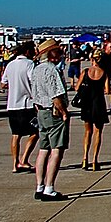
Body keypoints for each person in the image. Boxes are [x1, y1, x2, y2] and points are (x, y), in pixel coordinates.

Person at [30, 39, 71, 200]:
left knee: (43, 149)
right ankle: (49, 187)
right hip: (53, 112)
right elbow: (56, 95)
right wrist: (64, 113)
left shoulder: (36, 69)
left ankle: (40, 186)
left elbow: (34, 92)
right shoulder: (51, 70)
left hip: (41, 111)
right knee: (56, 150)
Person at [1, 41, 38, 173]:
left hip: (12, 104)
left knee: (16, 134)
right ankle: (24, 159)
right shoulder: (29, 64)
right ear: (27, 52)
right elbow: (33, 81)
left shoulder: (10, 65)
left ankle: (15, 163)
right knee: (35, 132)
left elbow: (3, 83)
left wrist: (14, 84)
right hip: (26, 104)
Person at [75, 50, 111, 170]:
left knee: (87, 132)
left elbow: (76, 87)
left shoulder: (85, 72)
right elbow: (107, 90)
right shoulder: (104, 73)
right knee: (98, 132)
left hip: (87, 104)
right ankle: (95, 160)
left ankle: (85, 158)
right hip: (99, 103)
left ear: (92, 59)